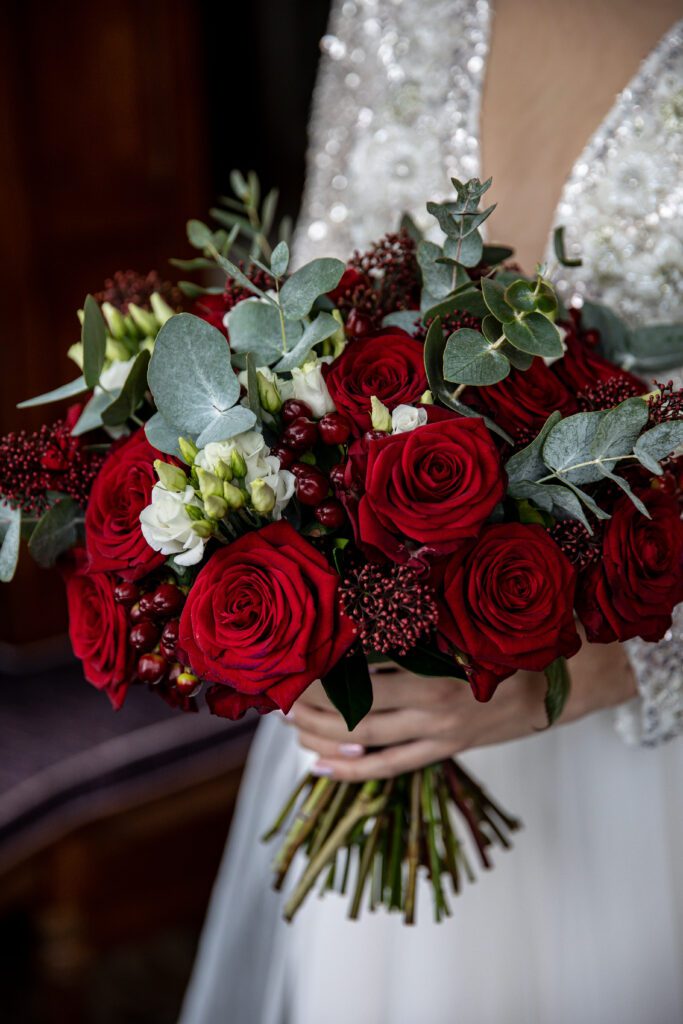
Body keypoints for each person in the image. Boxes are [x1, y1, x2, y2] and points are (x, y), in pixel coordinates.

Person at [180, 3, 683, 1022]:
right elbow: (304, 328)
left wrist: (613, 663)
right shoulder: (393, 8)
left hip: (639, 751)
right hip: (389, 715)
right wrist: (300, 596)